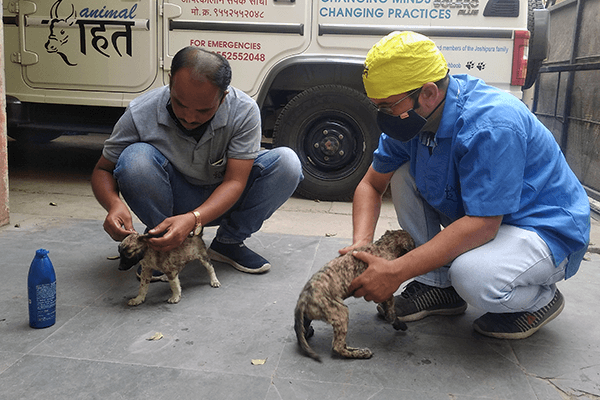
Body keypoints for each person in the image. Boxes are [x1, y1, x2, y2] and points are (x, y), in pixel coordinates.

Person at [344, 31, 590, 339]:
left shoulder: (491, 124)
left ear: (429, 93)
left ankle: (539, 300)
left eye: (388, 105)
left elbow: (484, 225)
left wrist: (398, 270)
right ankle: (439, 285)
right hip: (487, 218)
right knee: (402, 170)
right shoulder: (414, 120)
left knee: (474, 276)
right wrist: (361, 245)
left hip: (541, 226)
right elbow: (370, 184)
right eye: (376, 105)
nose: (383, 114)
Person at [92, 46, 303, 274]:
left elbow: (235, 182)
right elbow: (103, 169)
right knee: (135, 159)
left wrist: (193, 219)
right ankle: (165, 243)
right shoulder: (140, 112)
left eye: (204, 110)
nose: (189, 117)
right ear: (171, 82)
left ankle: (228, 243)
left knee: (288, 163)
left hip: (225, 200)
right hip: (173, 199)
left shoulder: (244, 111)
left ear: (223, 97)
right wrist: (113, 204)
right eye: (179, 103)